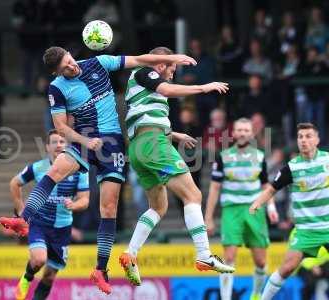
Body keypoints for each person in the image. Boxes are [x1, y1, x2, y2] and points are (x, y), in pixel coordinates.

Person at [0, 47, 197, 294]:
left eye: (69, 61)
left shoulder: (98, 62)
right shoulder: (57, 88)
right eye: (63, 68)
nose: (70, 67)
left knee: (109, 207)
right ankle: (23, 220)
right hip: (84, 137)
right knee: (55, 171)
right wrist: (83, 141)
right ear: (55, 73)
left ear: (71, 54)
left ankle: (100, 269)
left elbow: (139, 60)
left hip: (112, 143)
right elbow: (60, 127)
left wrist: (171, 58)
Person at [118, 46, 235, 287]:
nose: (171, 73)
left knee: (158, 207)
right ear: (160, 64)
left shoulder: (143, 86)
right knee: (193, 195)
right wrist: (203, 87)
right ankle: (204, 255)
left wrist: (176, 134)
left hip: (140, 147)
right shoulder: (145, 72)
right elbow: (168, 90)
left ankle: (130, 255)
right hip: (153, 145)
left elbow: (146, 118)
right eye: (171, 68)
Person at [4, 130, 89, 300]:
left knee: (49, 276)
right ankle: (27, 278)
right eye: (54, 142)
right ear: (47, 147)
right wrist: (20, 210)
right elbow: (15, 183)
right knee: (40, 259)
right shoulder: (38, 167)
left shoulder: (79, 171)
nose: (58, 145)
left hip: (62, 229)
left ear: (67, 146)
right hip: (40, 224)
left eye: (62, 142)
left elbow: (85, 200)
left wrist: (74, 204)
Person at [249, 123, 329, 300]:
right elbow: (271, 189)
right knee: (287, 268)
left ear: (317, 140)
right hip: (306, 231)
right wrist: (257, 203)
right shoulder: (292, 168)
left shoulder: (327, 160)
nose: (303, 140)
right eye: (300, 136)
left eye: (308, 136)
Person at [205, 118, 279, 300]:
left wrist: (271, 206)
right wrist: (208, 218)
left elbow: (265, 186)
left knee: (261, 261)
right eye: (239, 130)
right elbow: (214, 188)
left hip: (255, 210)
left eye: (246, 130)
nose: (243, 133)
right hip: (231, 210)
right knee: (228, 258)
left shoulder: (260, 157)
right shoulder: (223, 156)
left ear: (252, 133)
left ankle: (255, 294)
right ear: (233, 133)